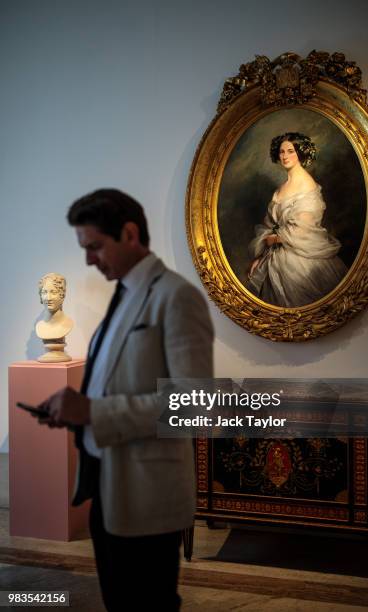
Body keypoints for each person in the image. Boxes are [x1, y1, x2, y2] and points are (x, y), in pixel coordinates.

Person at [36, 188, 214, 611]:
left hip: (148, 498)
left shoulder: (176, 296)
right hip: (108, 489)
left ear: (130, 233)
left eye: (95, 246)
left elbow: (198, 406)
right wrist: (74, 410)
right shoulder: (123, 297)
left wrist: (95, 411)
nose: (88, 260)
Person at [248, 132, 347, 307]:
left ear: (301, 153)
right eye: (281, 152)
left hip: (299, 260)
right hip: (274, 257)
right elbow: (271, 225)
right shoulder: (282, 187)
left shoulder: (306, 185)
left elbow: (303, 231)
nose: (285, 156)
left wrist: (275, 239)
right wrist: (262, 256)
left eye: (290, 151)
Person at [36, 273, 73, 362]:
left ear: (62, 295)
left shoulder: (68, 324)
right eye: (44, 292)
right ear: (40, 296)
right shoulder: (39, 327)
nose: (48, 298)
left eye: (53, 292)